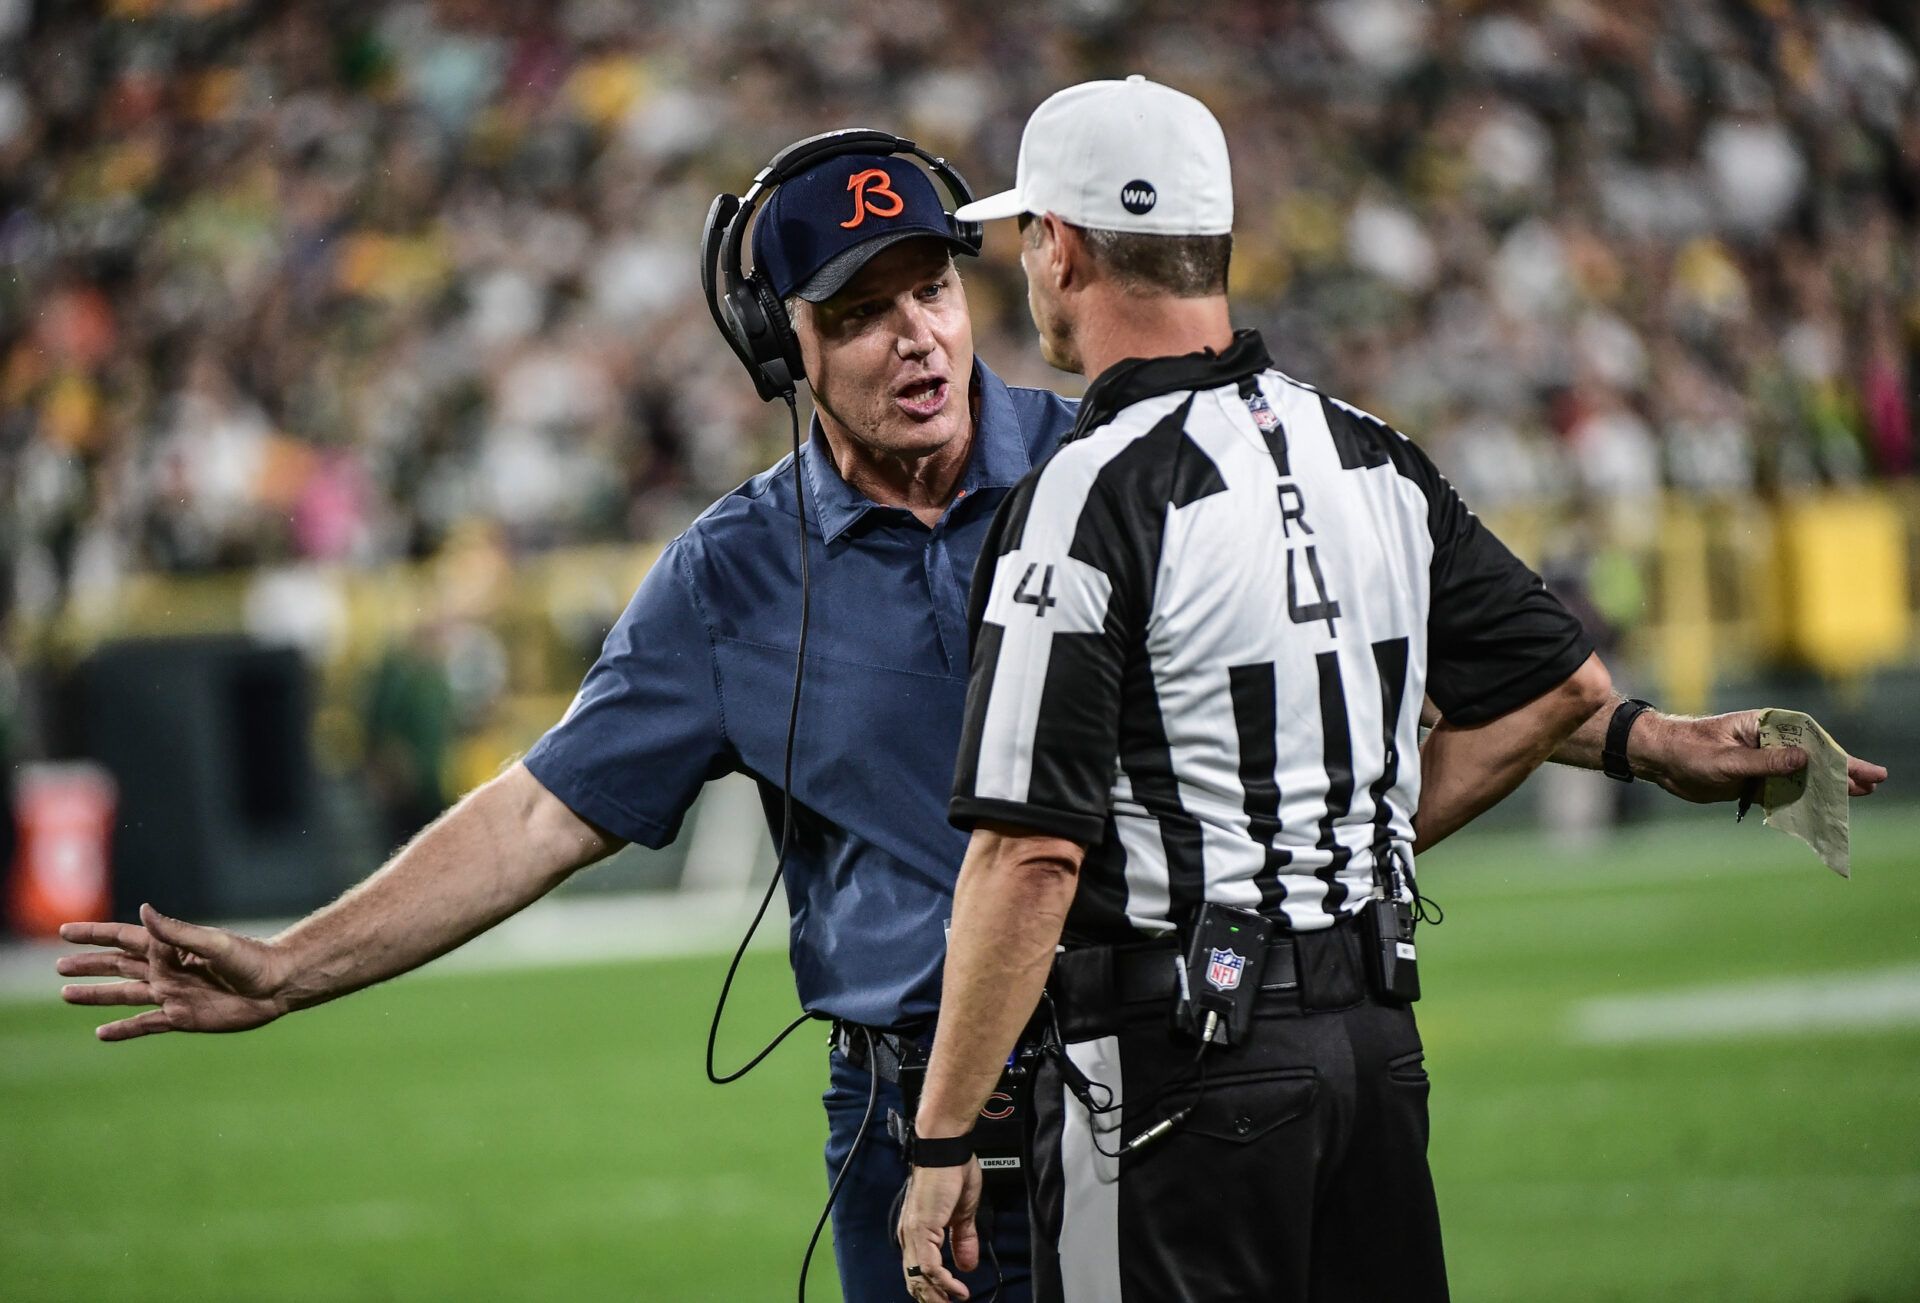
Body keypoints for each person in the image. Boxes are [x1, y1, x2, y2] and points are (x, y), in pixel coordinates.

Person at [56, 128, 1878, 1303]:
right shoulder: (730, 577)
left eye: (934, 282)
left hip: (1145, 1078)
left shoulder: (1116, 462)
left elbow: (1308, 670)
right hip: (906, 1118)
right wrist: (295, 960)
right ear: (789, 352)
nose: (918, 333)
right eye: (858, 312)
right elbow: (540, 811)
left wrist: (1637, 738)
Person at [894, 77, 1888, 1302]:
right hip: (1371, 1041)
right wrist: (1366, 846)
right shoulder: (1368, 448)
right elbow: (1561, 686)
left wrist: (940, 1141)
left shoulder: (1087, 492)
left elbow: (1029, 856)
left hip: (1169, 1072)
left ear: (1063, 246)